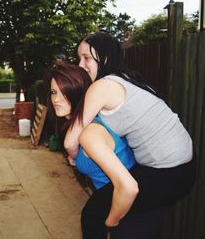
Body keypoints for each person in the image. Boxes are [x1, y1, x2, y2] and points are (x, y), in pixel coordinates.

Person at [64, 31, 196, 238]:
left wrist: (74, 155)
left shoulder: (102, 86)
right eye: (79, 58)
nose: (80, 65)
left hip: (164, 174)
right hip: (184, 168)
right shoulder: (129, 78)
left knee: (92, 213)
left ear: (105, 57)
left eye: (86, 58)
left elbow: (71, 140)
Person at [46, 62, 139, 231]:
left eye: (64, 92)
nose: (56, 99)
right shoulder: (80, 128)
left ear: (78, 93)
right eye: (53, 92)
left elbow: (128, 187)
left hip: (126, 210)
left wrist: (110, 222)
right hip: (110, 201)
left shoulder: (90, 134)